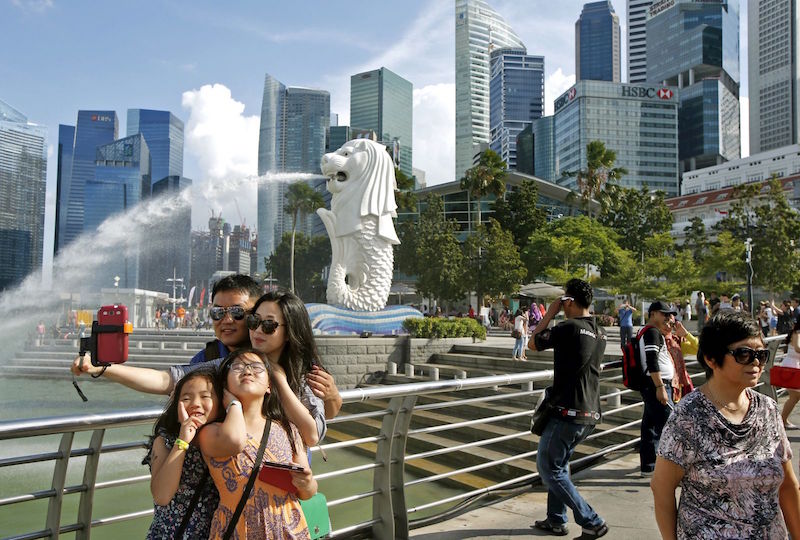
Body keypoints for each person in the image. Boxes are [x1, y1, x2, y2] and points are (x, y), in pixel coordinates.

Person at [70, 275, 342, 422]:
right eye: (217, 312)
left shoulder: (297, 363)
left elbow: (321, 417)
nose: (226, 320)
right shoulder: (213, 359)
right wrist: (104, 369)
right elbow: (167, 380)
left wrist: (331, 396)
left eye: (238, 312)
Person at [651, 311, 800, 539]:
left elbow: (788, 485)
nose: (756, 362)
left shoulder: (768, 409)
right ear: (711, 359)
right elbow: (661, 487)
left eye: (761, 354)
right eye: (744, 354)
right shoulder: (689, 416)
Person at [197, 349, 315, 539]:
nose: (247, 371)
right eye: (237, 367)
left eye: (256, 367)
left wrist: (307, 483)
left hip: (287, 531)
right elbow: (234, 440)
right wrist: (234, 405)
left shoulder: (289, 430)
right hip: (237, 531)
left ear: (269, 385)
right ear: (225, 385)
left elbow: (307, 493)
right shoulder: (212, 432)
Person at [529, 279, 608, 538]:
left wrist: (550, 313)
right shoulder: (600, 333)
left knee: (548, 468)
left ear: (569, 302)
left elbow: (533, 343)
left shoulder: (568, 327)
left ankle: (592, 520)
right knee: (560, 466)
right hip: (590, 411)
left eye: (564, 301)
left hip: (567, 412)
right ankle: (556, 519)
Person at [144, 366, 221, 539]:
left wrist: (234, 404)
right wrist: (182, 441)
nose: (195, 403)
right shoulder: (165, 442)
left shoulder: (223, 441)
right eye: (186, 398)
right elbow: (162, 496)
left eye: (205, 396)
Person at [247, 290, 327, 446]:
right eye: (254, 321)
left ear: (289, 332)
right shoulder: (236, 366)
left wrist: (278, 379)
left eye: (269, 325)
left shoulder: (304, 377)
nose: (258, 330)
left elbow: (313, 435)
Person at [638, 301, 678, 476]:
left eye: (669, 315)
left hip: (652, 384)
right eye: (664, 314)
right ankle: (672, 470)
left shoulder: (649, 331)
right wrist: (660, 387)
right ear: (653, 314)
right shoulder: (652, 332)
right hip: (657, 384)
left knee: (650, 427)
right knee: (672, 427)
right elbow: (652, 360)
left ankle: (648, 466)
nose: (667, 318)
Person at [780, 320, 800, 428]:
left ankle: (783, 420)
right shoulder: (797, 332)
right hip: (792, 367)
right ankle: (782, 420)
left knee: (794, 397)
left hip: (794, 366)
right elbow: (797, 348)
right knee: (794, 397)